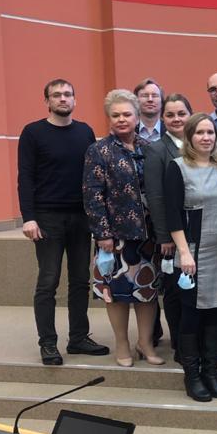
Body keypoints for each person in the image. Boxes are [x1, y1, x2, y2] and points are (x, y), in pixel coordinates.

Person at [18, 79, 109, 366]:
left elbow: (94, 176)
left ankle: (78, 338)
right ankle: (48, 343)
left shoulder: (85, 132)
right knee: (48, 281)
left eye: (68, 94)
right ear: (47, 101)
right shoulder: (33, 132)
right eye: (56, 95)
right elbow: (25, 177)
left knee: (80, 280)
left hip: (81, 217)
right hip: (47, 218)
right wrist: (29, 218)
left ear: (74, 100)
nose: (62, 98)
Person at [165, 114, 217, 401]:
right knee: (191, 314)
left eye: (210, 132)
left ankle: (211, 373)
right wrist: (184, 252)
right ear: (189, 137)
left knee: (215, 312)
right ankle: (192, 375)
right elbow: (173, 214)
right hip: (193, 252)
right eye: (199, 132)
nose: (206, 137)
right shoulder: (178, 167)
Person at [82, 89, 163, 367]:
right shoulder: (98, 150)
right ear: (109, 118)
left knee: (147, 292)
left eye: (127, 114)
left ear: (137, 116)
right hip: (114, 238)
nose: (121, 119)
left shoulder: (150, 148)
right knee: (115, 293)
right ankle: (122, 344)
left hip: (149, 236)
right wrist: (102, 233)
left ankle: (145, 343)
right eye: (115, 115)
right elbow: (92, 195)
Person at [143, 93, 193, 362]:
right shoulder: (157, 150)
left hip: (199, 228)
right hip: (172, 234)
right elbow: (155, 196)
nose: (176, 119)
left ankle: (196, 339)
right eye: (170, 115)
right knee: (175, 290)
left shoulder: (200, 144)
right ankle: (179, 344)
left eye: (181, 113)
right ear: (163, 118)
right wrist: (164, 236)